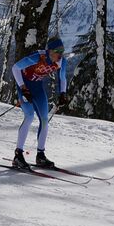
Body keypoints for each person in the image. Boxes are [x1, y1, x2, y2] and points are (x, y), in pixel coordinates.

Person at [10, 36, 68, 170]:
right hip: (24, 86)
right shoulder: (38, 57)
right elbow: (15, 68)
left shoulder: (61, 62)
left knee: (44, 118)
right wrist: (23, 88)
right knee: (29, 116)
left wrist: (63, 93)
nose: (59, 55)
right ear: (49, 51)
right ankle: (18, 156)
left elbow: (62, 77)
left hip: (37, 88)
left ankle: (40, 155)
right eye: (57, 52)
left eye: (62, 52)